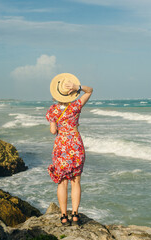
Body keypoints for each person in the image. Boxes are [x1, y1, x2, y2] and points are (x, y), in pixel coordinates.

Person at [46, 73, 93, 226]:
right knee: (76, 181)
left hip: (61, 146)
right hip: (75, 143)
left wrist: (58, 126)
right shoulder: (76, 106)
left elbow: (53, 131)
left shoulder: (52, 110)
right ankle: (75, 215)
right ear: (71, 93)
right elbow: (90, 90)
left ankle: (63, 216)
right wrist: (77, 87)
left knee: (62, 182)